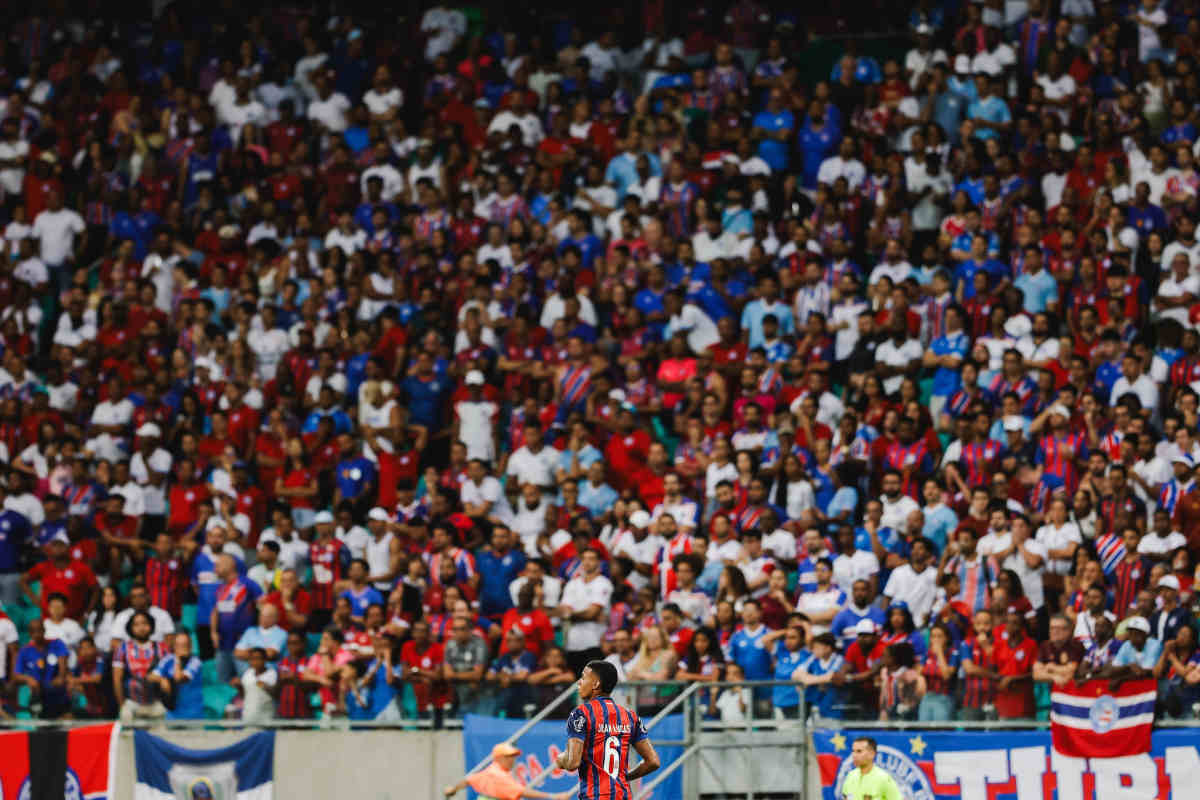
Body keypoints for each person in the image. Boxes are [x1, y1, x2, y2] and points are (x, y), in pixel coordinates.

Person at [554, 661, 661, 799]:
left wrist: (561, 759)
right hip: (623, 795)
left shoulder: (581, 713)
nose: (579, 682)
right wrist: (625, 777)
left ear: (596, 684)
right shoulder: (630, 716)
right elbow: (653, 762)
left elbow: (573, 763)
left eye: (583, 677)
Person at [445, 743, 574, 800]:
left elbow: (468, 780)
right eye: (508, 756)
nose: (512, 760)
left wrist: (453, 789)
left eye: (513, 756)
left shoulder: (490, 770)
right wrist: (554, 796)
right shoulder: (499, 775)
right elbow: (522, 792)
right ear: (498, 757)